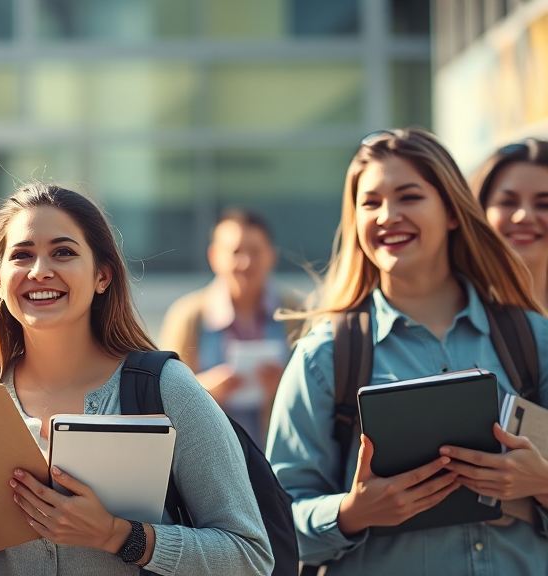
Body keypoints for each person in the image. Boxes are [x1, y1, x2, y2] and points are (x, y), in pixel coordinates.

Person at [0, 183, 273, 575]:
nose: (40, 271)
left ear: (102, 275)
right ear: (0, 280)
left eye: (64, 252)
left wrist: (119, 536)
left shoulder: (168, 389)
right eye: (22, 255)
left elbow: (250, 557)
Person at [266, 128, 548, 574]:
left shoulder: (535, 340)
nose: (387, 216)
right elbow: (271, 525)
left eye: (409, 196)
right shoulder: (324, 357)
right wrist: (353, 513)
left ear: (453, 212)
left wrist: (542, 483)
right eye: (371, 203)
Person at [158, 209, 296, 445]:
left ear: (271, 256)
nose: (246, 262)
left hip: (280, 454)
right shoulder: (187, 316)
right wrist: (203, 391)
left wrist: (288, 386)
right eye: (235, 252)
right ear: (214, 256)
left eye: (255, 251)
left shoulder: (296, 313)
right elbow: (159, 398)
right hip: (208, 453)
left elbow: (322, 393)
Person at [471, 139, 548, 308]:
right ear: (480, 210)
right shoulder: (454, 313)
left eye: (544, 204)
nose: (524, 216)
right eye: (508, 202)